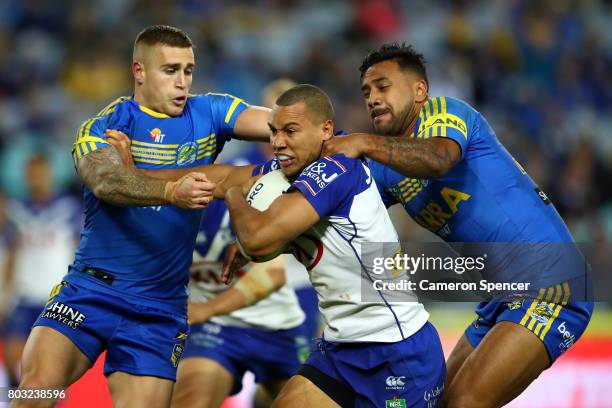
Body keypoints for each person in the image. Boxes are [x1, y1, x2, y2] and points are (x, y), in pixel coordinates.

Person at [321, 43, 593, 408]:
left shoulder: (446, 113)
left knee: (465, 402)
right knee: (440, 402)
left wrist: (362, 142)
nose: (372, 98)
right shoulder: (386, 166)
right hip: (500, 298)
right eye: (366, 92)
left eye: (383, 87)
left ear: (420, 90)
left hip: (551, 284)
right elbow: (335, 209)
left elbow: (438, 160)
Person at [14, 25, 270, 408]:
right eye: (170, 71)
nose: (182, 83)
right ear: (139, 72)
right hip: (90, 292)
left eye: (188, 70)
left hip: (159, 308)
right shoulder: (106, 126)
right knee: (36, 391)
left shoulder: (211, 112)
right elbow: (103, 180)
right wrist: (171, 191)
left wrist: (335, 137)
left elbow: (282, 125)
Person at [222, 84, 445, 408]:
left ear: (322, 128)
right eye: (273, 130)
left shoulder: (336, 170)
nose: (277, 141)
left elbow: (257, 236)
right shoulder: (285, 173)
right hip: (341, 348)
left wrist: (233, 194)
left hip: (397, 351)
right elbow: (227, 184)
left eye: (290, 129)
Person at [171, 150, 310, 408]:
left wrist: (204, 310)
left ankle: (262, 399)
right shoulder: (157, 202)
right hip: (214, 329)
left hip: (276, 325)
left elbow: (272, 275)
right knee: (191, 400)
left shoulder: (251, 185)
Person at [1, 154, 81, 389]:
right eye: (31, 173)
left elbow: (81, 251)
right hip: (24, 296)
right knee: (12, 360)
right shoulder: (16, 212)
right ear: (26, 176)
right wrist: (5, 296)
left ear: (49, 174)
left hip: (54, 297)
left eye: (40, 172)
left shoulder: (69, 209)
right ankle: (16, 400)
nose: (36, 178)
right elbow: (12, 255)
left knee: (49, 370)